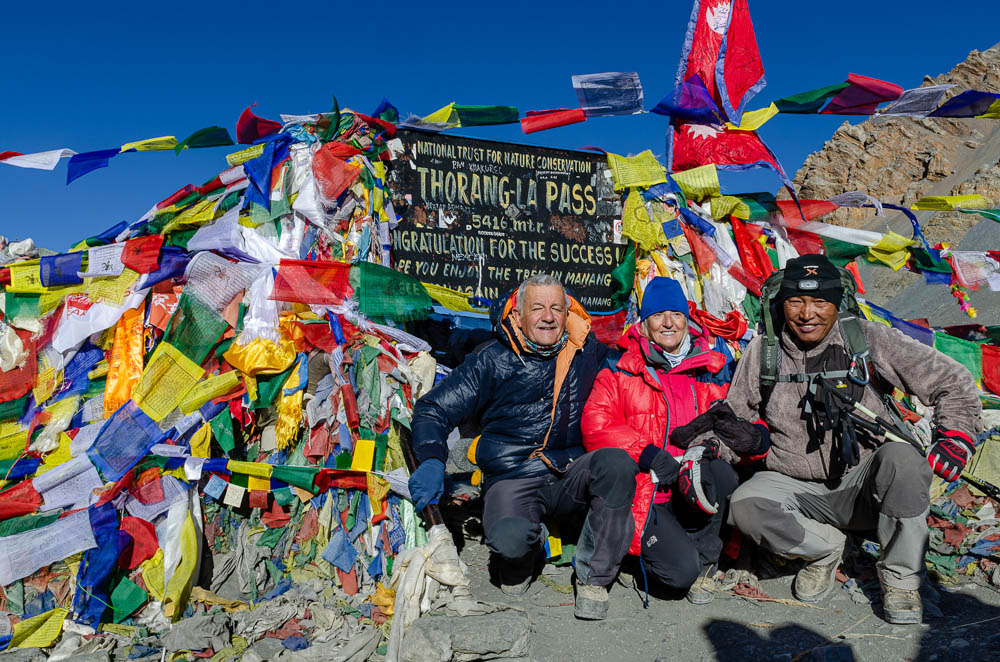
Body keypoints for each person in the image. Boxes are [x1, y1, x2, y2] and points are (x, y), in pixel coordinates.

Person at [725, 254, 982, 624]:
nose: (806, 313)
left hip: (865, 485)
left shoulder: (867, 338)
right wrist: (709, 448)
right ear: (781, 303)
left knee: (904, 461)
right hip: (795, 487)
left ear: (837, 302)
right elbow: (735, 415)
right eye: (796, 301)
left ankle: (900, 579)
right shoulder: (765, 351)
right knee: (745, 504)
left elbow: (952, 381)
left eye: (820, 302)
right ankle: (824, 550)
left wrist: (955, 435)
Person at [407, 273, 638, 620]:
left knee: (617, 464)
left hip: (571, 469)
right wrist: (431, 459)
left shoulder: (585, 351)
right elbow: (434, 409)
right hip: (514, 473)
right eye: (538, 308)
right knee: (510, 547)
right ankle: (529, 548)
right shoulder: (492, 359)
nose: (548, 317)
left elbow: (632, 375)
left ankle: (594, 577)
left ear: (567, 313)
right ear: (518, 314)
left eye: (557, 308)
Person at [582, 277, 768, 604]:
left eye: (676, 314)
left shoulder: (715, 366)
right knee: (678, 575)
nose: (668, 322)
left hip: (695, 484)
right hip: (650, 489)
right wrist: (649, 454)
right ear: (645, 321)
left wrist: (754, 437)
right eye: (658, 315)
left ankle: (705, 560)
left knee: (723, 475)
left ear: (687, 318)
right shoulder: (622, 364)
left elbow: (746, 417)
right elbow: (596, 422)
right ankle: (644, 561)